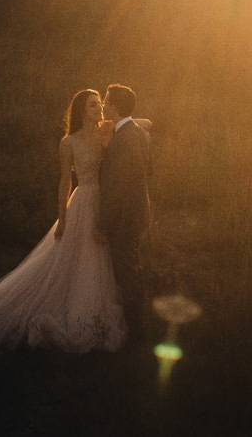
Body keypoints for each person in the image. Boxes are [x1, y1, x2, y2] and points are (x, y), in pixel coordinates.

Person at [0, 89, 149, 352]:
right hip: (84, 201)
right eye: (93, 106)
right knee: (78, 255)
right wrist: (62, 218)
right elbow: (65, 182)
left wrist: (123, 124)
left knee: (106, 257)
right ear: (81, 110)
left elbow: (142, 124)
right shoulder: (69, 142)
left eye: (101, 105)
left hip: (106, 203)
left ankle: (112, 315)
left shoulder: (109, 130)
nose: (100, 109)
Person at [97, 83, 154, 342]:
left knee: (126, 269)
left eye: (107, 101)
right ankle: (136, 322)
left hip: (125, 215)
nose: (104, 105)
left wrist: (102, 224)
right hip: (137, 210)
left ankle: (136, 330)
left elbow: (116, 187)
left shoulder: (125, 138)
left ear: (116, 106)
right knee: (130, 266)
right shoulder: (138, 132)